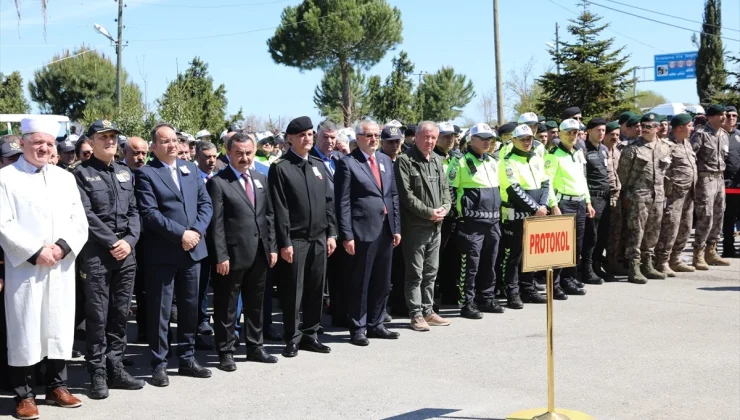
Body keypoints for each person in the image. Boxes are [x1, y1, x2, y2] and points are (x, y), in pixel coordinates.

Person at [0, 117, 89, 419]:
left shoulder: (65, 178)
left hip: (60, 266)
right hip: (26, 268)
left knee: (58, 325)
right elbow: (3, 223)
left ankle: (56, 387)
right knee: (26, 327)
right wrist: (35, 251)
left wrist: (62, 247)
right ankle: (24, 395)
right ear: (22, 143)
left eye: (49, 143)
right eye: (37, 142)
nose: (44, 147)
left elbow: (79, 220)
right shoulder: (6, 178)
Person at [134, 122, 214, 386]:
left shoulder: (190, 169)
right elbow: (150, 214)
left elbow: (205, 204)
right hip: (164, 253)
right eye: (164, 141)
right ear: (154, 147)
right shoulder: (146, 173)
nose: (171, 145)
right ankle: (159, 364)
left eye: (174, 140)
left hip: (193, 252)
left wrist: (197, 232)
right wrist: (182, 234)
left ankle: (188, 358)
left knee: (191, 308)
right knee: (161, 311)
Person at [72, 119, 145, 399]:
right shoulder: (80, 175)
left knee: (119, 314)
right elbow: (85, 214)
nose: (109, 141)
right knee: (98, 316)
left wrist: (128, 241)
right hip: (97, 254)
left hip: (126, 253)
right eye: (103, 137)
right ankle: (97, 372)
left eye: (113, 136)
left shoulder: (125, 172)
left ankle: (116, 367)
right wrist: (112, 241)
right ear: (90, 141)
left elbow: (135, 212)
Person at [207, 133, 279, 370]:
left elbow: (268, 215)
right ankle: (226, 350)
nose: (245, 158)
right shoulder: (218, 182)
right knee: (227, 304)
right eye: (239, 153)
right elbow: (216, 223)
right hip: (232, 255)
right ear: (228, 154)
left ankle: (255, 346)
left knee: (256, 303)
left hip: (259, 252)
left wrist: (272, 247)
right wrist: (221, 255)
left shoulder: (261, 179)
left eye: (248, 153)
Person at [268, 116, 337, 358]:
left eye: (309, 134)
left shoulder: (318, 165)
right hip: (295, 240)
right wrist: (284, 242)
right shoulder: (281, 168)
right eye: (301, 135)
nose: (306, 139)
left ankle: (311, 334)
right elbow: (280, 208)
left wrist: (332, 233)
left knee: (316, 289)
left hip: (319, 238)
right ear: (290, 139)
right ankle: (292, 337)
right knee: (292, 291)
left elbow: (328, 203)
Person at [335, 122, 401, 346]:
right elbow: (342, 202)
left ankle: (376, 323)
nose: (374, 139)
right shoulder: (348, 163)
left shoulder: (384, 160)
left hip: (385, 229)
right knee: (361, 282)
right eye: (369, 135)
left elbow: (392, 196)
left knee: (382, 281)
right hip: (362, 231)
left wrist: (397, 227)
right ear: (358, 137)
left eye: (376, 135)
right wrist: (347, 235)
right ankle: (358, 327)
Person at [394, 121, 452, 331]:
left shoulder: (437, 160)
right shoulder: (405, 161)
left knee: (431, 271)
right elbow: (406, 196)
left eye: (433, 138)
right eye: (426, 137)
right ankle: (415, 314)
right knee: (415, 273)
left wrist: (445, 207)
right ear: (416, 137)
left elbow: (446, 190)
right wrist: (429, 212)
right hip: (416, 227)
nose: (429, 141)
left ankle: (428, 310)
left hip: (436, 225)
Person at [447, 122, 505, 318]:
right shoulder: (460, 162)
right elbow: (450, 190)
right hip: (471, 224)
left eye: (490, 138)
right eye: (483, 138)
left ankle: (486, 298)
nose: (488, 142)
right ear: (472, 140)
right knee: (470, 265)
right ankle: (467, 303)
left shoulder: (492, 162)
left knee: (490, 262)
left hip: (493, 222)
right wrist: (459, 213)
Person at [499, 124, 558, 308]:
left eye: (529, 139)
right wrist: (535, 208)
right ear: (514, 140)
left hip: (536, 214)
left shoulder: (535, 159)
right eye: (523, 139)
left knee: (532, 254)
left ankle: (528, 288)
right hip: (516, 215)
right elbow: (513, 189)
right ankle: (512, 292)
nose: (527, 142)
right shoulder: (508, 161)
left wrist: (543, 204)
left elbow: (546, 182)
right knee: (513, 256)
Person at [618, 113, 673, 283]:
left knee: (653, 231)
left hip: (657, 196)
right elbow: (623, 175)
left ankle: (647, 264)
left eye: (649, 126)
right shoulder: (633, 149)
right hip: (638, 196)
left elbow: (666, 174)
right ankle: (634, 266)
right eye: (642, 126)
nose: (644, 129)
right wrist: (627, 194)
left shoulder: (665, 147)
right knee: (636, 231)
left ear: (657, 128)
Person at [544, 119, 595, 295]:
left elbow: (583, 179)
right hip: (564, 202)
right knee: (561, 246)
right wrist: (553, 204)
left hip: (579, 201)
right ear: (560, 133)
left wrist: (588, 201)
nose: (573, 136)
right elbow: (547, 183)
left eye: (575, 132)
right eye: (569, 132)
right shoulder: (553, 155)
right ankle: (555, 284)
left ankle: (569, 278)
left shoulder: (578, 153)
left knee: (576, 244)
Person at [654, 114, 698, 275]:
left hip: (688, 193)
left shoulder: (687, 144)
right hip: (673, 194)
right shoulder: (667, 145)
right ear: (680, 127)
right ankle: (662, 261)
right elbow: (660, 170)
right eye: (690, 125)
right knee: (670, 227)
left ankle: (676, 258)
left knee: (685, 227)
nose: (692, 128)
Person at [690, 104, 731, 267]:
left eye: (725, 114)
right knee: (706, 215)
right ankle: (698, 253)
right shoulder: (701, 134)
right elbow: (691, 157)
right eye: (720, 115)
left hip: (719, 178)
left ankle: (711, 251)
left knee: (719, 214)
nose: (724, 117)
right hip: (705, 179)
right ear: (711, 117)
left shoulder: (723, 134)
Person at [433, 122, 463, 306]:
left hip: (454, 215)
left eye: (452, 135)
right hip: (438, 214)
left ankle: (449, 290)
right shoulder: (432, 158)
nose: (449, 139)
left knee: (452, 256)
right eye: (445, 136)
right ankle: (432, 295)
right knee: (436, 257)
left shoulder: (455, 157)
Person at [581, 118, 610, 284]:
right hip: (592, 196)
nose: (601, 133)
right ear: (589, 131)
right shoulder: (583, 149)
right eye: (598, 130)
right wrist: (587, 201)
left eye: (603, 130)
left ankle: (597, 265)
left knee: (602, 235)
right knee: (591, 236)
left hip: (605, 196)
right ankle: (587, 269)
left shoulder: (604, 149)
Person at [602, 122, 626, 276]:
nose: (615, 138)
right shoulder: (600, 151)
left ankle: (612, 259)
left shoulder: (618, 152)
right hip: (604, 195)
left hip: (618, 195)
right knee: (605, 231)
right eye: (612, 135)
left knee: (616, 230)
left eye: (617, 135)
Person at [721, 105, 739, 258]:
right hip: (724, 185)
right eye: (728, 115)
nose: (731, 118)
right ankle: (728, 248)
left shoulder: (739, 135)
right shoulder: (718, 135)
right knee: (728, 219)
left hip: (739, 184)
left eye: (734, 115)